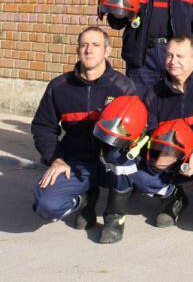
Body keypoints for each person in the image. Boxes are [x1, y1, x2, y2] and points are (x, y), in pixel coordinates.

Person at [99, 35, 193, 242]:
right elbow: (148, 133)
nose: (173, 61)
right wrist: (158, 157)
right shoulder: (153, 94)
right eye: (169, 55)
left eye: (180, 56)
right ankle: (173, 197)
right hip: (170, 159)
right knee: (139, 175)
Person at [31, 27, 135, 227]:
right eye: (84, 45)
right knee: (46, 206)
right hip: (76, 162)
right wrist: (56, 159)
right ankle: (84, 200)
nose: (89, 50)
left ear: (107, 51)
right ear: (78, 50)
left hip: (113, 163)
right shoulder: (59, 87)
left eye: (96, 45)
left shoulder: (123, 88)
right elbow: (43, 127)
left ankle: (115, 216)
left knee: (132, 165)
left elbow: (138, 131)